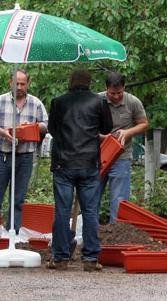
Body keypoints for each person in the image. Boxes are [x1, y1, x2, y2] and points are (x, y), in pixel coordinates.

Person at [47, 68, 112, 271]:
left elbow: (52, 130)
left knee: (62, 212)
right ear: (90, 83)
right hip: (89, 163)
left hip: (63, 164)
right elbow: (106, 129)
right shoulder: (99, 102)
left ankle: (60, 257)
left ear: (71, 81)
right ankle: (91, 258)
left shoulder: (58, 102)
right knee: (91, 212)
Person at [0, 69, 48, 231]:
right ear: (10, 83)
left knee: (18, 199)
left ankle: (15, 233)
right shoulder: (0, 101)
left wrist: (31, 127)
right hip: (2, 155)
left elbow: (46, 125)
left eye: (22, 84)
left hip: (25, 157)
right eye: (16, 83)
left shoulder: (36, 103)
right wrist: (4, 132)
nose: (19, 87)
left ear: (28, 84)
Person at [97, 72, 148, 223]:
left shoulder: (132, 102)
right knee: (91, 197)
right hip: (97, 157)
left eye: (119, 93)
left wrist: (128, 132)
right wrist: (101, 137)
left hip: (121, 157)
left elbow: (144, 124)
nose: (116, 97)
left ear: (124, 88)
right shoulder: (96, 100)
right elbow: (85, 126)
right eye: (112, 93)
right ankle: (90, 234)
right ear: (106, 88)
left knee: (119, 201)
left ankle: (116, 236)